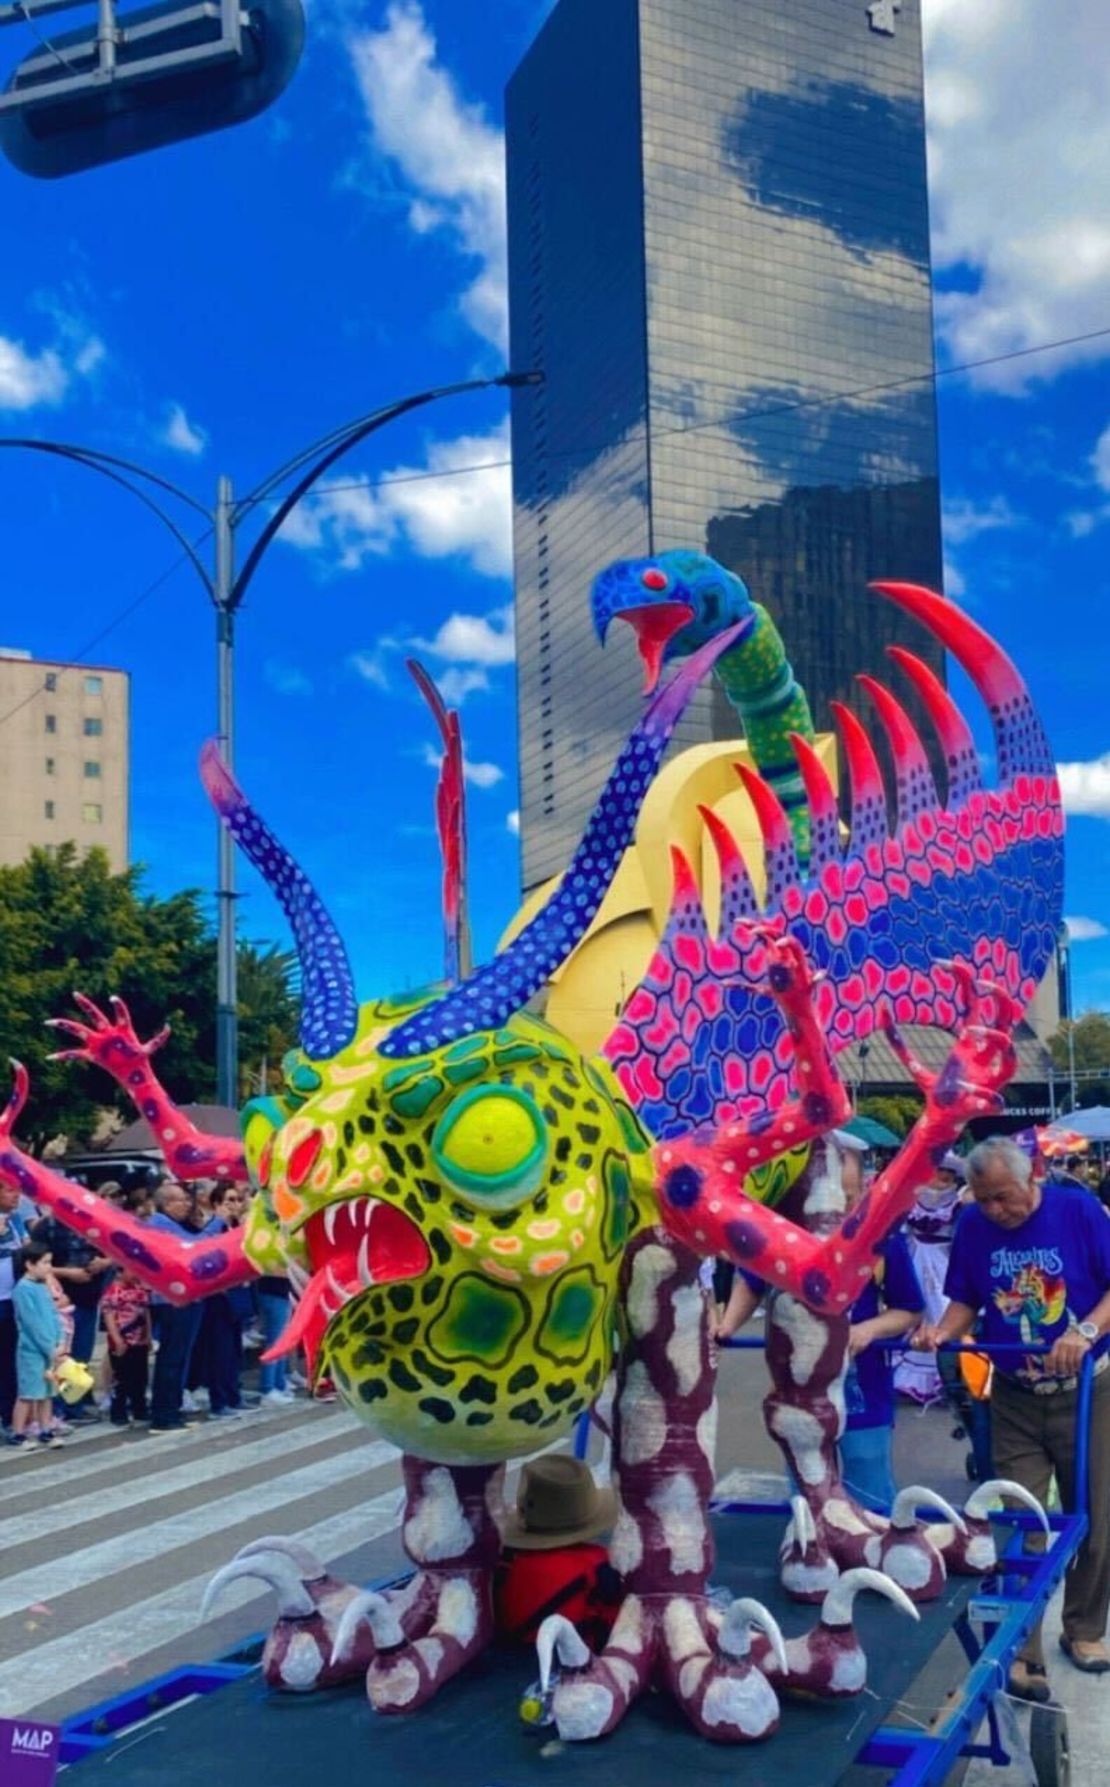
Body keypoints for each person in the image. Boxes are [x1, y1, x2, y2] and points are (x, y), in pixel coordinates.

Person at [916, 1135, 1110, 1698]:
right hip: (1014, 1393)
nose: (996, 1210)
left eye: (1004, 1197)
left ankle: (1084, 1628)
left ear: (1033, 1178)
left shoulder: (1077, 1210)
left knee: (1095, 1516)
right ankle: (1022, 1650)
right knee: (1018, 1522)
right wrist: (941, 1333)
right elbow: (965, 1299)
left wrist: (1085, 1332)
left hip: (1088, 1391)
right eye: (984, 1199)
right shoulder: (974, 1226)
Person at [718, 1132, 923, 1513]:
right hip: (800, 1391)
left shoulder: (882, 1239)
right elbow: (751, 1283)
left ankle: (875, 1558)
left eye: (848, 1196)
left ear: (864, 1187)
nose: (840, 1207)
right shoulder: (786, 1236)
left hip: (863, 1388)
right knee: (807, 1483)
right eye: (832, 1196)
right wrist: (727, 1326)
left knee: (869, 1487)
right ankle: (811, 1553)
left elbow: (909, 1309)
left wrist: (869, 1330)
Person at [496, 1456, 622, 1652]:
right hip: (576, 1660)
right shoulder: (596, 1562)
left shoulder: (505, 1559)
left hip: (512, 1656)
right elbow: (617, 1619)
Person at [894, 1154, 966, 1407]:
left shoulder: (958, 1203)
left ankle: (950, 1375)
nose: (943, 1176)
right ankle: (914, 1378)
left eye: (948, 1172)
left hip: (943, 1263)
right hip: (914, 1259)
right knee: (913, 1312)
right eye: (938, 1170)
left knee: (944, 1313)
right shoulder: (913, 1199)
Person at [30, 1207, 110, 1422]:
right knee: (62, 1355)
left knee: (82, 1354)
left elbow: (113, 1251)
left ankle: (76, 1404)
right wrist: (68, 1273)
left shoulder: (92, 1223)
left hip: (88, 1298)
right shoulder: (47, 1227)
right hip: (60, 1301)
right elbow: (34, 1263)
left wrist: (103, 1263)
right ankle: (59, 1408)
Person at [147, 1180, 204, 1433]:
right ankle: (164, 1414)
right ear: (167, 1203)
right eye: (182, 1200)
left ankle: (173, 1408)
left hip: (186, 1299)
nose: (187, 1204)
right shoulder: (159, 1225)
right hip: (172, 1301)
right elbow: (195, 1247)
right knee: (171, 1356)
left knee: (180, 1357)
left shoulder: (174, 1225)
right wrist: (216, 1223)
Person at [9, 1243, 66, 1452]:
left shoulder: (42, 1287)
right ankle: (18, 1432)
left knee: (47, 1392)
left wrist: (60, 1339)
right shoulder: (23, 1290)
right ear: (29, 1265)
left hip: (51, 1347)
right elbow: (32, 1324)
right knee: (28, 1393)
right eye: (44, 1262)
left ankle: (45, 1429)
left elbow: (53, 1314)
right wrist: (50, 1348)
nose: (48, 1267)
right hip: (32, 1350)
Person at [102, 1266, 152, 1426]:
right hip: (122, 1341)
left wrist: (148, 1335)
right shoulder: (113, 1292)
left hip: (139, 1340)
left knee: (140, 1377)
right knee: (121, 1378)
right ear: (120, 1272)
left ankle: (140, 1408)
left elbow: (146, 1313)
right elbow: (109, 1316)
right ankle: (118, 1411)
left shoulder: (140, 1289)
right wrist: (116, 1339)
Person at [0, 1185, 30, 1430]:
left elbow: (27, 1251)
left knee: (11, 1359)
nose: (16, 1195)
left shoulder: (15, 1220)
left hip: (14, 1300)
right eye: (9, 1191)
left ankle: (10, 1415)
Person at [257, 1270, 294, 1405]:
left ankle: (279, 1383)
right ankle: (267, 1388)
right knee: (275, 1343)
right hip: (275, 1294)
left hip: (281, 1294)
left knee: (281, 1341)